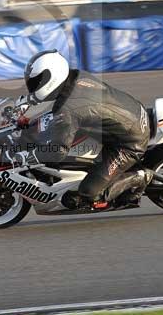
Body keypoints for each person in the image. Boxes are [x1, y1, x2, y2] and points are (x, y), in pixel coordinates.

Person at [22, 49, 151, 209]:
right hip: (131, 113)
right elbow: (58, 112)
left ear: (51, 78)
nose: (33, 86)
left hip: (129, 143)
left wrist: (26, 156)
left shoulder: (68, 111)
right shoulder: (76, 76)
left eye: (37, 82)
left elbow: (57, 152)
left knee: (89, 193)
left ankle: (140, 177)